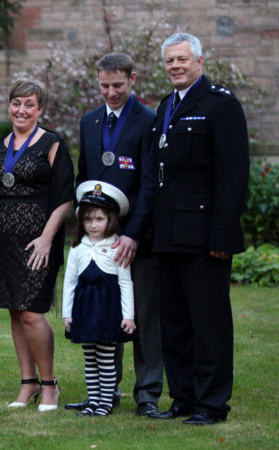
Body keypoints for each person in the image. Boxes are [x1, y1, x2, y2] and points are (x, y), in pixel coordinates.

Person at [148, 33, 249, 425]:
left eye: (182, 59)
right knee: (174, 323)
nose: (176, 66)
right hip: (169, 232)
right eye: (170, 60)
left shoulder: (221, 105)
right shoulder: (166, 105)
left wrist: (223, 236)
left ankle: (212, 403)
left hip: (205, 235)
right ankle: (184, 398)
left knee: (209, 324)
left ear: (199, 61)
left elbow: (233, 176)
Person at [67, 53, 162, 417]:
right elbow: (84, 176)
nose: (111, 92)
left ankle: (149, 393)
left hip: (140, 237)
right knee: (107, 314)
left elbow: (151, 185)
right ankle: (109, 393)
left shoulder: (150, 121)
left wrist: (133, 235)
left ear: (132, 79)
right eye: (104, 85)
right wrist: (88, 227)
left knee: (143, 315)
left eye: (118, 85)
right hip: (100, 240)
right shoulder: (89, 121)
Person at [0, 79, 73, 411]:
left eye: (29, 104)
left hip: (38, 242)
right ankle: (27, 383)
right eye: (16, 103)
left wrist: (47, 239)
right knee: (16, 312)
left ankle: (49, 385)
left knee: (33, 313)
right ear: (9, 105)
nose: (22, 110)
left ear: (40, 109)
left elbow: (64, 197)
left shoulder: (52, 144)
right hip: (2, 241)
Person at [63, 181, 136, 417]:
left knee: (106, 359)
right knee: (89, 359)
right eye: (88, 219)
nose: (93, 225)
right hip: (84, 312)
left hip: (107, 313)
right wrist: (67, 314)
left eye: (99, 219)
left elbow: (125, 282)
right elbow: (70, 282)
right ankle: (93, 400)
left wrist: (129, 316)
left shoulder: (116, 247)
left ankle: (106, 401)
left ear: (111, 220)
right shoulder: (77, 247)